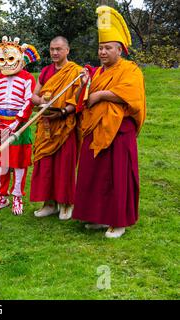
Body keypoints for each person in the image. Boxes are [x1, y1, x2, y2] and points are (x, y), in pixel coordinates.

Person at [72, 6, 146, 238]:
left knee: (117, 176)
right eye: (100, 48)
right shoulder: (96, 73)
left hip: (119, 130)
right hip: (95, 128)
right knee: (94, 174)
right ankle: (97, 217)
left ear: (120, 49)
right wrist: (85, 85)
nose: (103, 52)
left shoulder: (130, 69)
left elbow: (131, 95)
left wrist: (101, 95)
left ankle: (119, 222)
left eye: (108, 48)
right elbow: (81, 100)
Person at [0, 36, 40, 215]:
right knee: (0, 163)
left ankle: (17, 197)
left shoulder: (28, 78)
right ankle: (1, 197)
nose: (7, 63)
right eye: (2, 59)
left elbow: (28, 101)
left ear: (21, 59)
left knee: (19, 163)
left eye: (11, 58)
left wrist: (16, 122)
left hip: (19, 126)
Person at [30, 36, 83, 220]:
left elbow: (77, 100)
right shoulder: (46, 71)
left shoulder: (75, 72)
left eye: (59, 49)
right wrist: (42, 101)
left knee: (64, 165)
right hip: (46, 125)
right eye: (52, 49)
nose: (54, 52)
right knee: (45, 164)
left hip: (65, 124)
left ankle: (67, 203)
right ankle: (49, 203)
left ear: (67, 50)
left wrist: (62, 111)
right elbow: (33, 97)